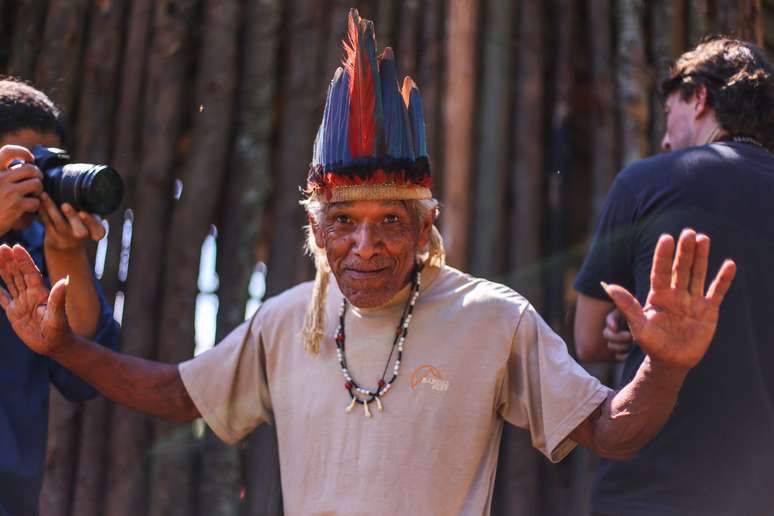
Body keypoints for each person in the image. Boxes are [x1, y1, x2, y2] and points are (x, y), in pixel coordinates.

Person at [1, 12, 736, 515]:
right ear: (315, 231)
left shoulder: (494, 318)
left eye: (392, 221)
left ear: (426, 228)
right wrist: (61, 345)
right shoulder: (287, 321)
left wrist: (664, 367)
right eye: (344, 223)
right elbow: (175, 394)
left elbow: (610, 431)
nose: (367, 244)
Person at [574, 36, 774, 516]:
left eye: (668, 114)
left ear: (699, 97)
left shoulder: (644, 183)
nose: (664, 138)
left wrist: (625, 335)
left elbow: (587, 340)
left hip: (651, 486)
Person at [0, 78, 119, 515]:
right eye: (21, 165)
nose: (39, 181)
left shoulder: (39, 245)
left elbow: (85, 376)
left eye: (48, 165)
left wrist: (65, 254)